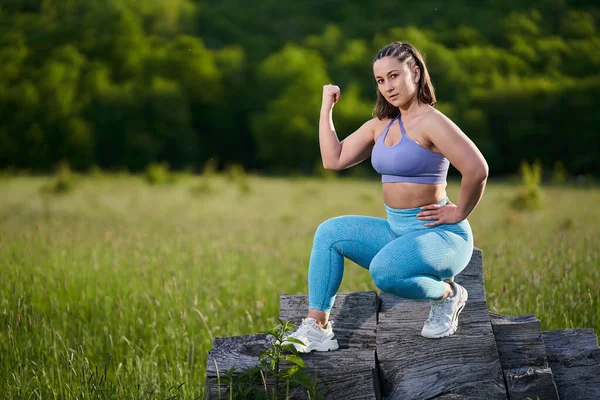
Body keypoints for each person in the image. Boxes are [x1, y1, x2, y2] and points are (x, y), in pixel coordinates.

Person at [283, 41, 489, 353]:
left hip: (441, 235)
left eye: (394, 76)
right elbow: (333, 159)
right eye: (381, 81)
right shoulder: (381, 125)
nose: (388, 87)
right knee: (329, 233)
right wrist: (327, 108)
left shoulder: (432, 121)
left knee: (384, 271)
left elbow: (477, 169)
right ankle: (318, 327)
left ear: (415, 72)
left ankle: (448, 296)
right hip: (398, 231)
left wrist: (459, 212)